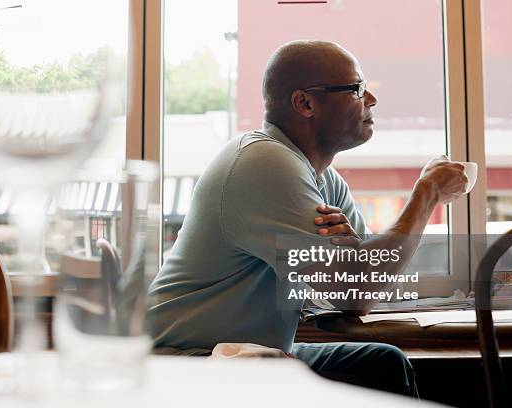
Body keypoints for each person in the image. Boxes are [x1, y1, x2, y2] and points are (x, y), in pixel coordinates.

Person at [147, 40, 468, 397]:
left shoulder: (324, 179)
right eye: (357, 89)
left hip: (249, 354)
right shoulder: (263, 164)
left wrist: (355, 265)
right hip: (188, 362)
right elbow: (359, 286)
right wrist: (426, 196)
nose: (372, 100)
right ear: (305, 103)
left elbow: (358, 291)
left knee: (382, 365)